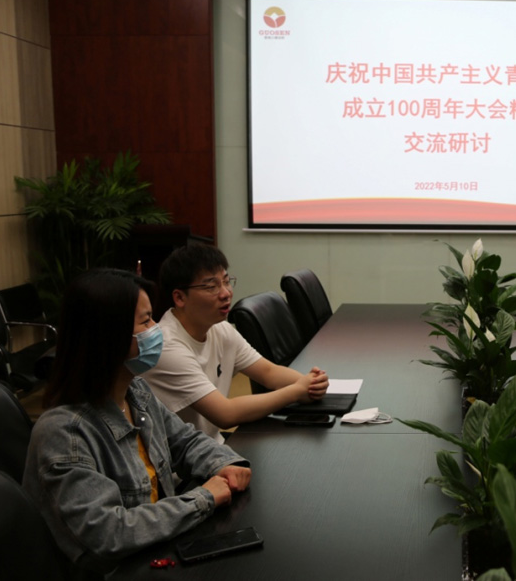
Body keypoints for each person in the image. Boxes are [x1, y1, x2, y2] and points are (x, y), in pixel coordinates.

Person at [23, 269, 251, 575]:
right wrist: (203, 498)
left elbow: (185, 441)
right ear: (108, 337)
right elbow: (109, 533)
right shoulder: (65, 433)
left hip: (156, 556)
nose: (156, 330)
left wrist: (224, 463)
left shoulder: (135, 391)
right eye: (145, 322)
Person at [142, 244, 328, 442]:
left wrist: (311, 383)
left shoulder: (219, 328)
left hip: (212, 447)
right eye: (211, 286)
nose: (225, 293)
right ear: (179, 297)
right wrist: (297, 391)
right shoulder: (167, 348)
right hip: (182, 459)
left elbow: (268, 373)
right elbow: (226, 414)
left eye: (226, 282)